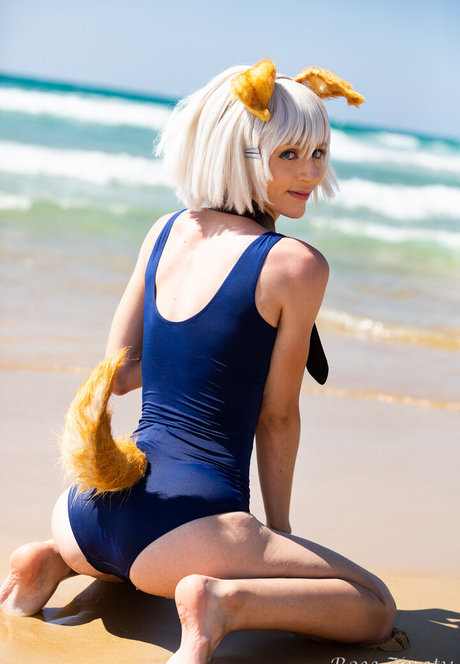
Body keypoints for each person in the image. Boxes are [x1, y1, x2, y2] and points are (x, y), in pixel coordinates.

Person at [0, 60, 408, 662]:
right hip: (191, 530)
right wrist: (275, 536)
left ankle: (52, 560)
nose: (310, 171)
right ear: (239, 154)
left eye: (319, 153)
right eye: (289, 154)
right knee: (374, 606)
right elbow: (277, 417)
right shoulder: (296, 265)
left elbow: (120, 372)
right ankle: (222, 604)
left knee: (121, 550)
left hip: (85, 512)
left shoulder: (165, 230)